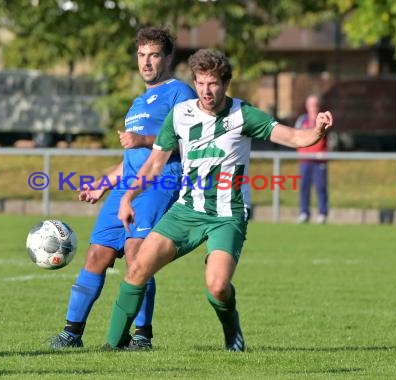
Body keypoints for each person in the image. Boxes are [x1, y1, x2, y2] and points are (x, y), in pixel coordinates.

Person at [105, 49, 333, 351]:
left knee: (217, 286)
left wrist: (316, 130)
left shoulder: (244, 115)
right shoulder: (181, 115)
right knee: (137, 269)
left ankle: (231, 329)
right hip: (186, 212)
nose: (205, 91)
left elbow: (294, 138)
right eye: (200, 83)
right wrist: (129, 196)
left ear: (225, 84)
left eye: (212, 84)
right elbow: (154, 164)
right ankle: (112, 346)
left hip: (227, 215)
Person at [48, 26, 196, 350]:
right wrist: (102, 184)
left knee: (136, 254)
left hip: (159, 183)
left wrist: (143, 139)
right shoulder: (137, 103)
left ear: (167, 58)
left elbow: (187, 140)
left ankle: (141, 336)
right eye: (142, 55)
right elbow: (130, 159)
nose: (146, 62)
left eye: (154, 55)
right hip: (125, 187)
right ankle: (72, 333)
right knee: (96, 255)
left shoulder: (179, 93)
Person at [295, 94, 328, 224]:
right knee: (304, 187)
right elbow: (295, 137)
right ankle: (304, 213)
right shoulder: (302, 120)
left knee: (320, 187)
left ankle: (322, 213)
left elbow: (330, 140)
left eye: (315, 105)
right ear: (307, 106)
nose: (313, 107)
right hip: (305, 160)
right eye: (311, 105)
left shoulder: (323, 119)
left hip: (319, 161)